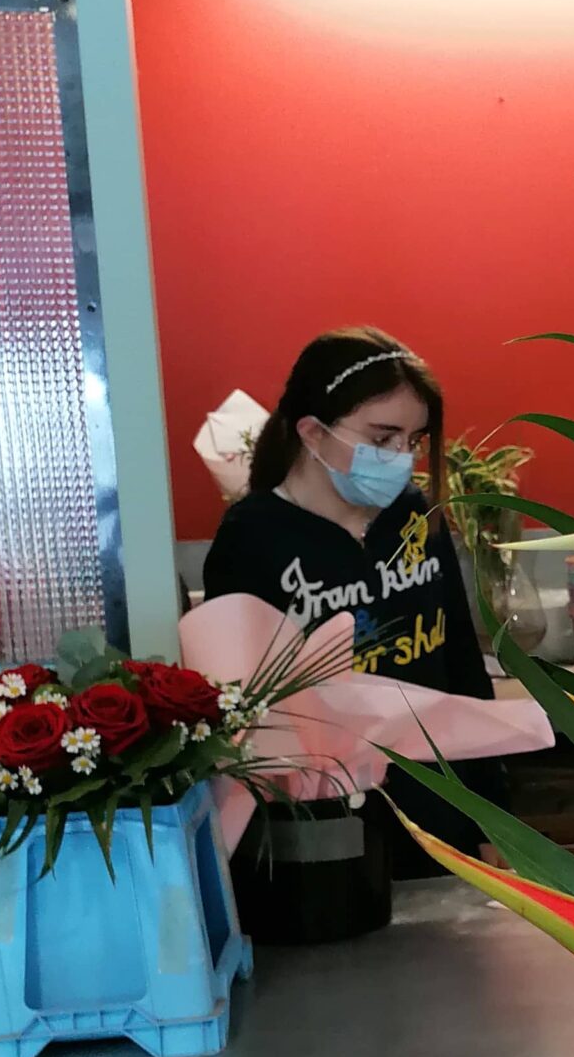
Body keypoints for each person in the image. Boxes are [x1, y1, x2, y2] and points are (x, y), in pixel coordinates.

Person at [203, 326, 499, 859]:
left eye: (413, 440)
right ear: (313, 433)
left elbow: (461, 663)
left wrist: (492, 817)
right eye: (382, 438)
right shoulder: (252, 536)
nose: (401, 456)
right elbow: (238, 706)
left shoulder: (415, 515)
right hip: (320, 821)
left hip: (437, 803)